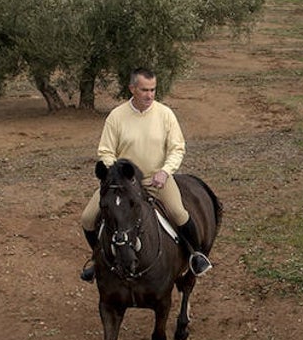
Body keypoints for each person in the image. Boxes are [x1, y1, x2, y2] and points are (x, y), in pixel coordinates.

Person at [79, 68, 212, 281]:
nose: (149, 95)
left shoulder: (165, 114)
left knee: (179, 213)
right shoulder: (116, 116)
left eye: (153, 90)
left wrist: (165, 172)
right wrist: (117, 176)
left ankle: (195, 256)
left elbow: (177, 148)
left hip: (155, 180)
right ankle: (97, 259)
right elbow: (105, 151)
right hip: (123, 185)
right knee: (87, 217)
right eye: (144, 90)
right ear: (132, 89)